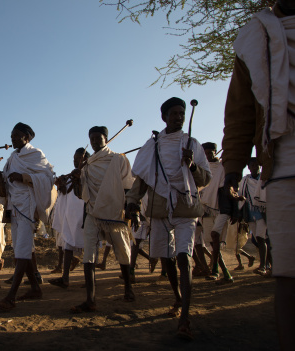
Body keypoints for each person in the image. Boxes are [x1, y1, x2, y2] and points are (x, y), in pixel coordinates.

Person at [221, 0, 295, 348]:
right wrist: (232, 171)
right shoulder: (255, 37)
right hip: (283, 164)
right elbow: (240, 115)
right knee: (289, 273)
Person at [126, 97, 211, 340]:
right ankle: (177, 297)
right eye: (174, 113)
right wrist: (132, 202)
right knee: (167, 260)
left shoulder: (192, 144)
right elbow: (141, 179)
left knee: (184, 257)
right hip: (160, 208)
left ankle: (185, 317)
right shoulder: (152, 145)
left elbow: (205, 179)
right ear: (164, 117)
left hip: (186, 208)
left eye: (181, 113)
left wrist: (192, 165)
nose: (179, 117)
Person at [70, 126, 136, 313]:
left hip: (114, 212)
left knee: (122, 250)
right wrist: (77, 180)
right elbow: (80, 194)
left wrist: (129, 209)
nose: (95, 141)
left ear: (106, 139)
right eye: (92, 138)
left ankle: (128, 289)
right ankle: (90, 300)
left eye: (98, 138)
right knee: (89, 252)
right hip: (92, 212)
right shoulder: (87, 164)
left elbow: (128, 186)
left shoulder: (118, 159)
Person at [0, 122, 56, 310]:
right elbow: (6, 185)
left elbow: (48, 178)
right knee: (25, 249)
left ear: (26, 138)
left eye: (17, 135)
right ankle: (35, 288)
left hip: (28, 206)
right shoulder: (12, 158)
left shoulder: (36, 154)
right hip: (14, 207)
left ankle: (11, 297)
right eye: (11, 135)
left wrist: (25, 178)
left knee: (21, 250)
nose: (12, 138)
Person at [48, 147, 89, 288]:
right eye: (74, 158)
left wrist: (79, 177)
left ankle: (91, 279)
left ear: (85, 160)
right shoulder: (71, 175)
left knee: (90, 245)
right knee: (67, 245)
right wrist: (61, 184)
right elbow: (66, 192)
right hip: (70, 215)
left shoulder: (89, 173)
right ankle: (65, 278)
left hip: (84, 214)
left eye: (78, 158)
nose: (75, 161)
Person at [199, 142, 234, 284]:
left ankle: (216, 271)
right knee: (213, 243)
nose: (208, 156)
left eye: (210, 152)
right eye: (205, 153)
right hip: (205, 209)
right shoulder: (202, 169)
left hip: (221, 207)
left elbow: (230, 187)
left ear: (215, 151)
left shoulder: (223, 168)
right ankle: (224, 273)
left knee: (215, 236)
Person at [238, 158, 270, 275]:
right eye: (252, 165)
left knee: (261, 238)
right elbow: (241, 195)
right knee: (258, 240)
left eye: (257, 165)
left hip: (263, 212)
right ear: (249, 167)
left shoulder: (264, 179)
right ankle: (268, 265)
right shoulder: (245, 180)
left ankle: (263, 266)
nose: (255, 167)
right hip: (251, 214)